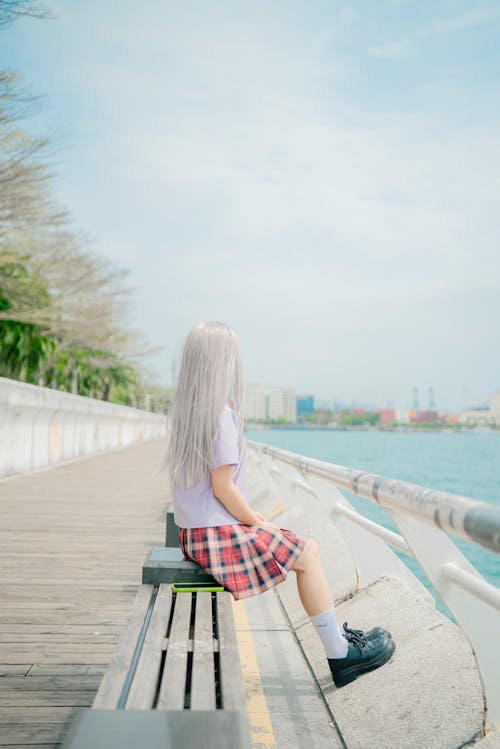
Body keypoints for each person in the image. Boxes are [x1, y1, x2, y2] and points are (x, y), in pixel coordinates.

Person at [159, 320, 395, 687]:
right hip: (215, 535)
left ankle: (338, 645)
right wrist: (258, 521)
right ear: (224, 364)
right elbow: (223, 487)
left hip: (194, 535)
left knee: (306, 551)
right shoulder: (221, 415)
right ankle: (340, 655)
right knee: (308, 555)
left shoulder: (187, 414)